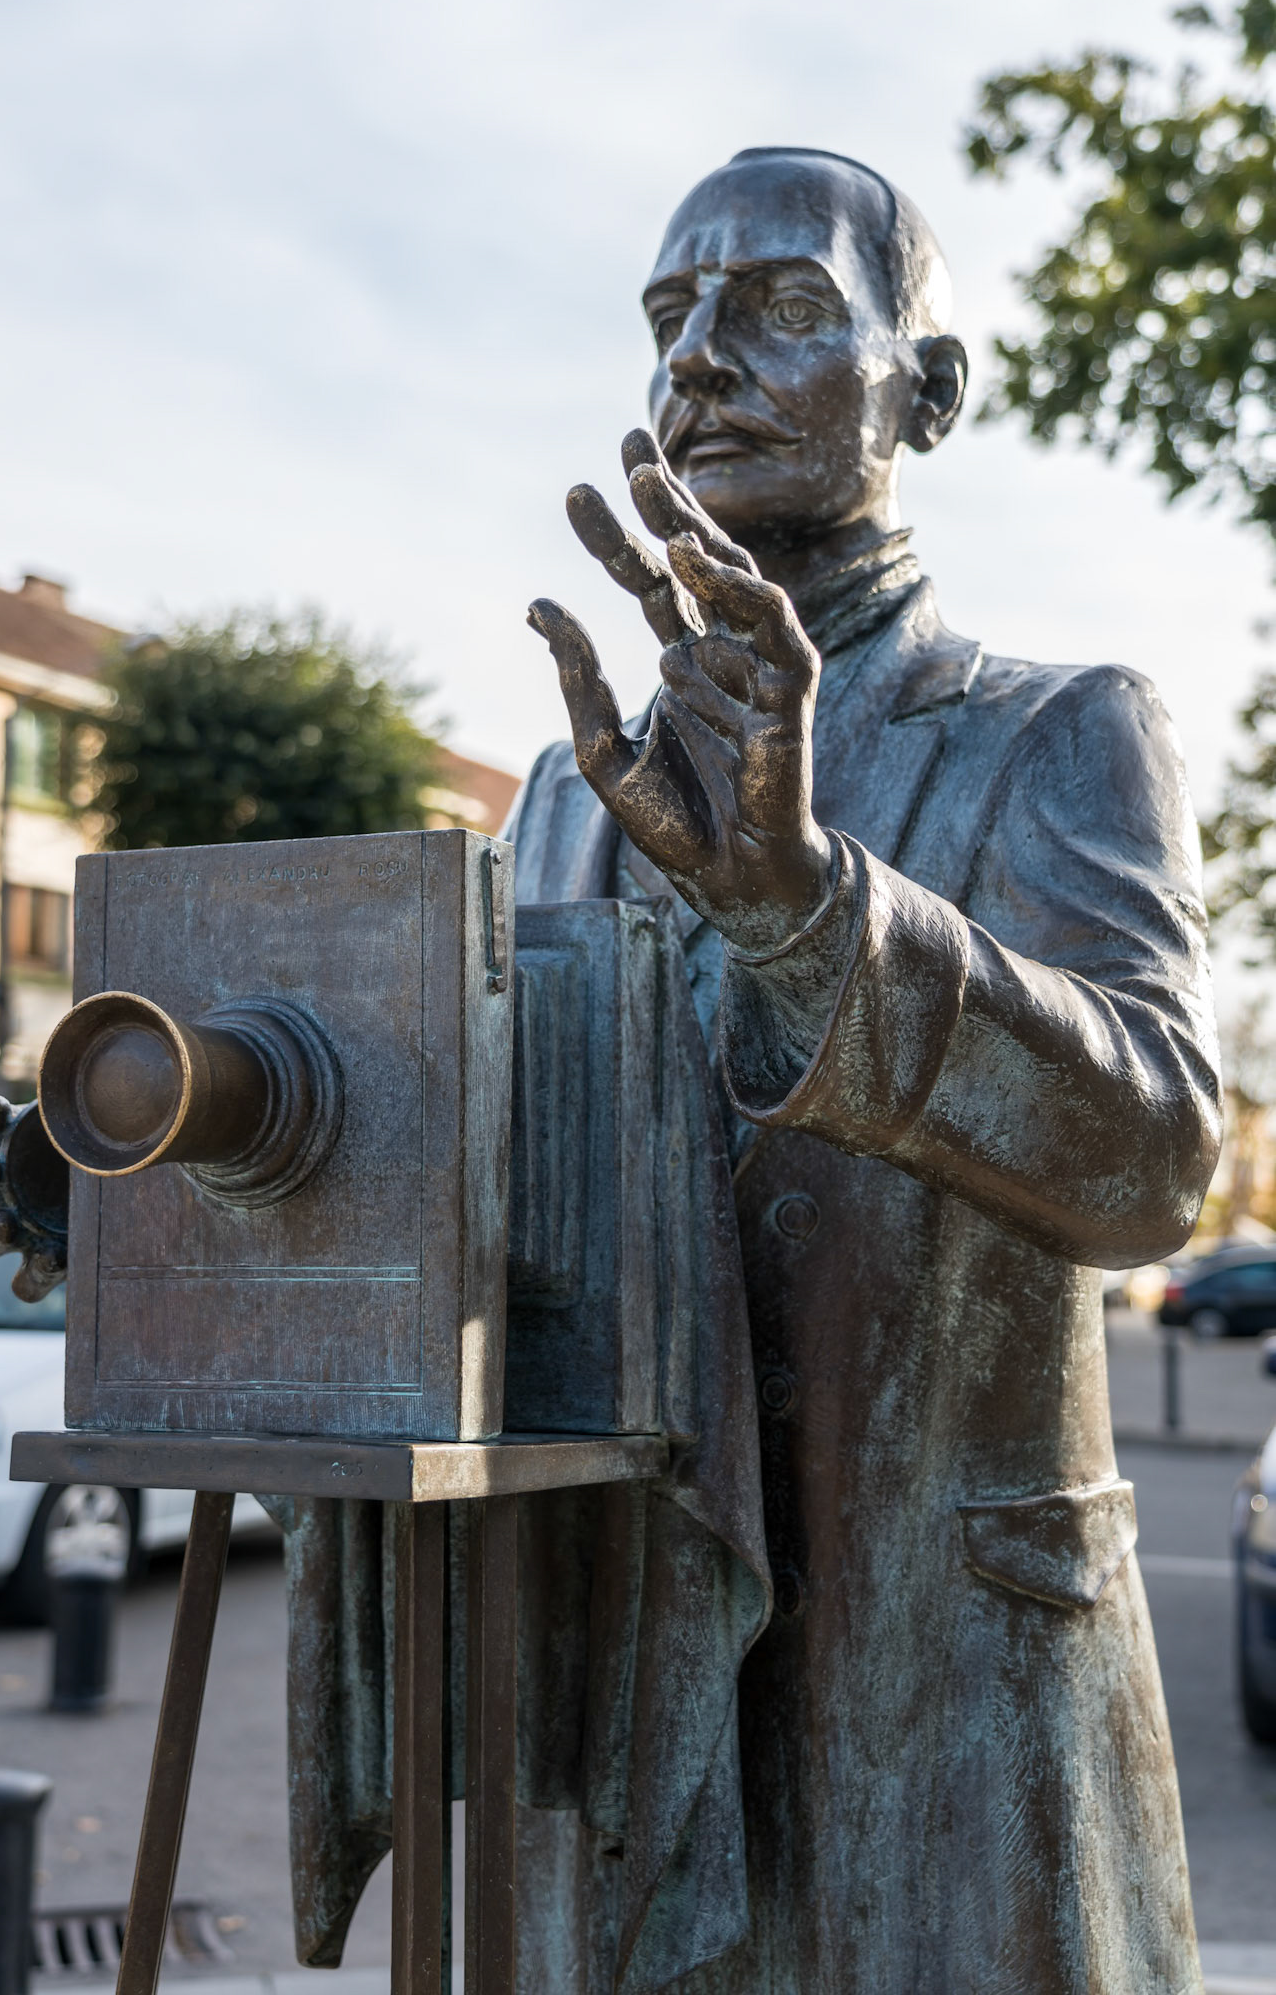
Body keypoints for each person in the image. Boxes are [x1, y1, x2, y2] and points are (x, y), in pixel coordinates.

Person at [505, 145, 1220, 1991]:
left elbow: (1151, 1160)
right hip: (628, 1690)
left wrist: (821, 917)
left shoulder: (1056, 733)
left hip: (945, 1698)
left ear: (934, 385)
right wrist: (179, 1161)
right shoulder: (560, 797)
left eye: (786, 305)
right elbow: (472, 1189)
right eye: (670, 318)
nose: (700, 359)